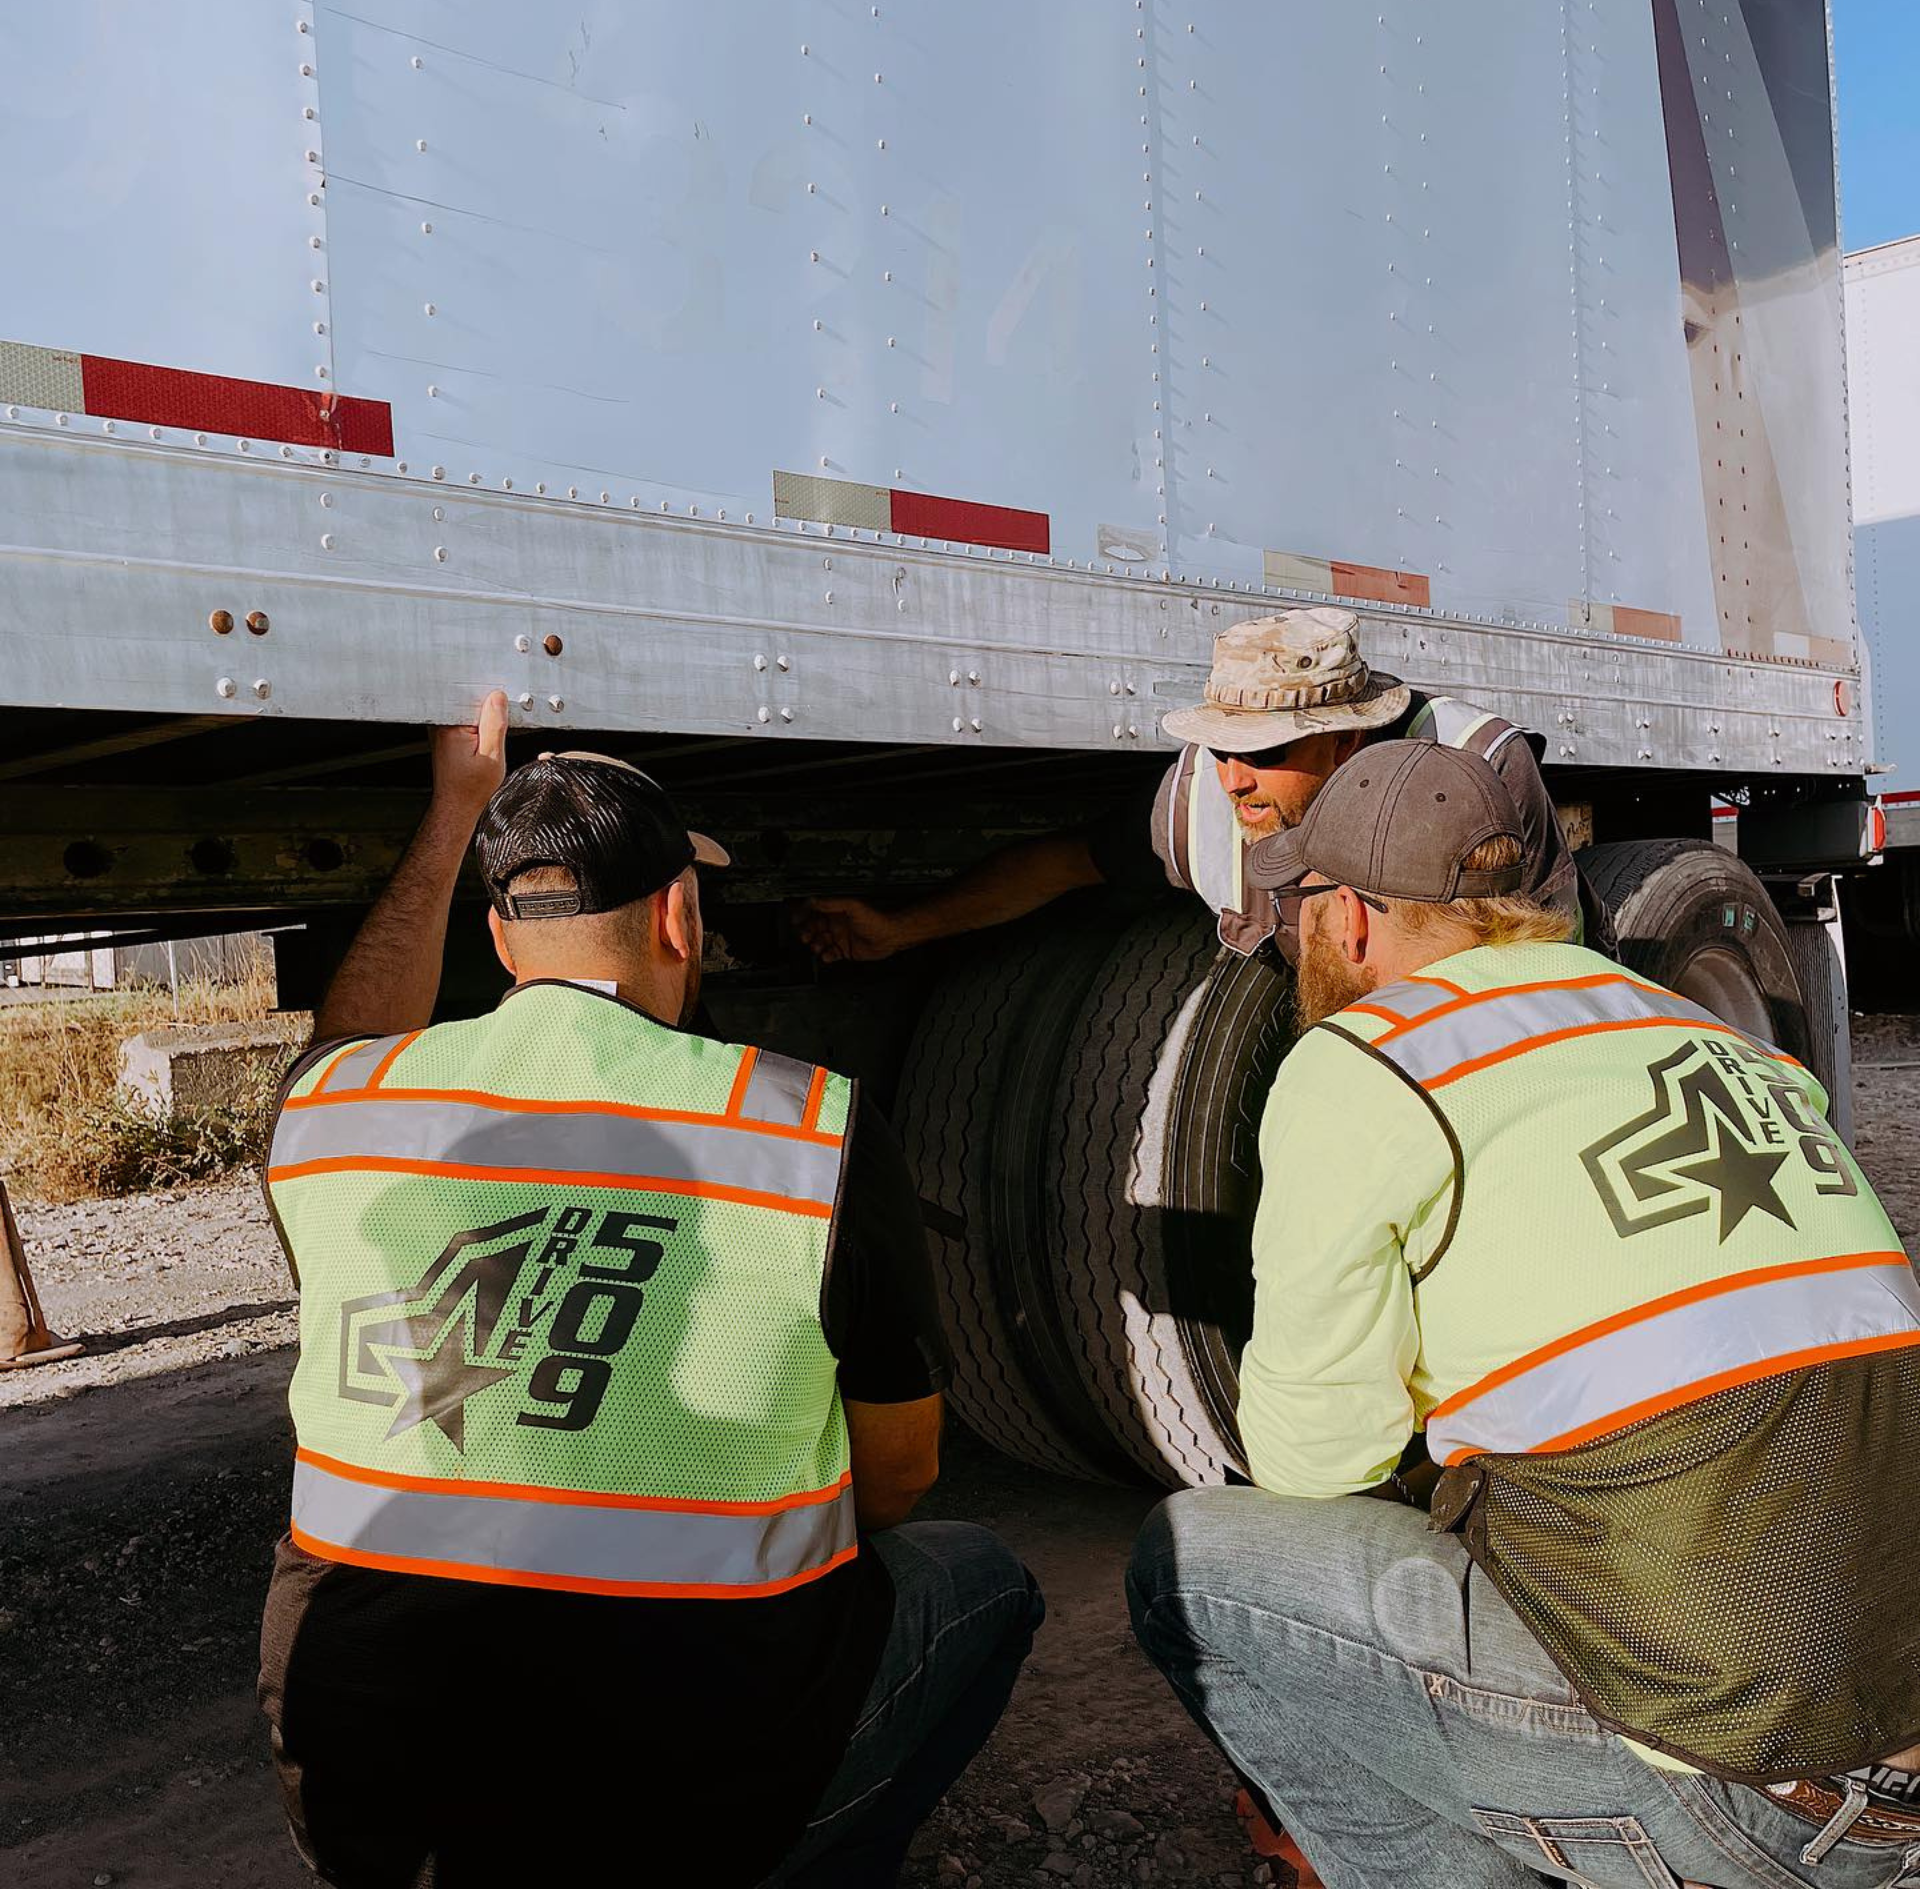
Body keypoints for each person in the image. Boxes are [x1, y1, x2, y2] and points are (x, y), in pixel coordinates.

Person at [257, 691, 1043, 1889]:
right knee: (979, 1582)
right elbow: (898, 1477)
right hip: (686, 1802)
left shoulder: (328, 1113)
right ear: (680, 914)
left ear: (503, 939)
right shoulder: (805, 1127)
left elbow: (352, 1024)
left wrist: (453, 805)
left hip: (376, 1798)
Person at [1127, 739, 1920, 1888]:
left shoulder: (1371, 1061)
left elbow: (1316, 1460)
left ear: (1347, 919)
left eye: (1302, 906)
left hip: (1751, 1800)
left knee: (1191, 1561)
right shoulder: (1708, 1038)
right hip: (1898, 1769)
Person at [796, 606, 1586, 967]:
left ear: (1348, 737)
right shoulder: (1203, 799)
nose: (1232, 780)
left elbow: (1549, 969)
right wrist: (900, 930)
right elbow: (1066, 863)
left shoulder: (1475, 771)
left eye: (1264, 751)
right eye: (1218, 749)